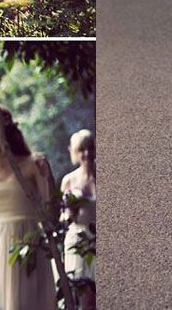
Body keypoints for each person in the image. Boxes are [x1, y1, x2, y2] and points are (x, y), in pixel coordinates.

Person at [0, 106, 57, 310]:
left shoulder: (32, 164)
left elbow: (49, 209)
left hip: (29, 237)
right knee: (5, 301)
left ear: (8, 134)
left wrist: (48, 176)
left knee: (31, 299)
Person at [59, 130, 96, 309]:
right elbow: (63, 216)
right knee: (86, 299)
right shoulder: (69, 180)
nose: (86, 153)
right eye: (81, 149)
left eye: (90, 148)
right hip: (79, 242)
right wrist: (70, 212)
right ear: (74, 152)